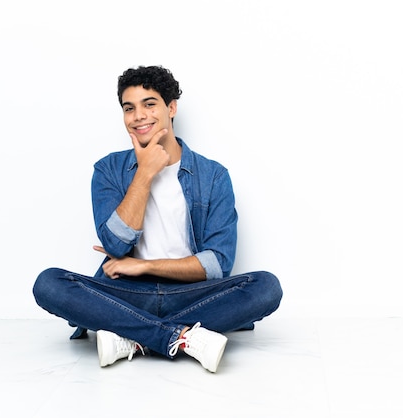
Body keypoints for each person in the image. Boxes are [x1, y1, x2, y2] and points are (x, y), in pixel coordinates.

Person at [33, 65, 283, 373]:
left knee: (266, 287)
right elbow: (115, 243)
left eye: (149, 104)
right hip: (126, 293)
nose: (138, 116)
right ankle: (180, 337)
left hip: (189, 295)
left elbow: (217, 265)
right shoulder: (108, 170)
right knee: (49, 283)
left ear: (171, 108)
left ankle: (132, 336)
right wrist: (145, 173)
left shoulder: (213, 176)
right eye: (129, 108)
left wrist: (145, 265)